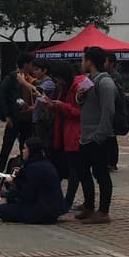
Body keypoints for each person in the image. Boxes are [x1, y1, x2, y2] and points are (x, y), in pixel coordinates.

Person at [74, 45, 117, 223]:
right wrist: (79, 96)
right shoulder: (89, 80)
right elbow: (83, 104)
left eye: (83, 59)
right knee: (82, 171)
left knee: (101, 174)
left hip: (99, 137)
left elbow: (108, 111)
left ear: (89, 61)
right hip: (86, 136)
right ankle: (89, 206)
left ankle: (103, 211)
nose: (81, 63)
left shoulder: (105, 82)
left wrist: (99, 135)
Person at [0, 138, 66, 224]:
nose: (23, 151)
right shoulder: (44, 163)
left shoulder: (34, 168)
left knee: (2, 209)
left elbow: (28, 194)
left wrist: (14, 183)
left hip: (42, 210)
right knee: (10, 204)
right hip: (51, 208)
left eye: (25, 148)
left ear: (31, 150)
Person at [50, 65, 84, 212]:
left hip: (75, 133)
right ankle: (65, 200)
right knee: (71, 169)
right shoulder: (64, 89)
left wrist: (62, 106)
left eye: (58, 79)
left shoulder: (78, 87)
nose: (57, 82)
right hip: (64, 132)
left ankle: (69, 201)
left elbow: (80, 112)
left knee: (76, 171)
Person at [0, 54, 35, 172]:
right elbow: (2, 96)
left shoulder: (31, 78)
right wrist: (7, 115)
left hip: (28, 118)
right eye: (31, 64)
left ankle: (23, 172)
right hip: (14, 117)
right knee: (6, 147)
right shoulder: (12, 78)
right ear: (26, 64)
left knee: (25, 147)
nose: (33, 67)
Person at [103, 53, 123, 171]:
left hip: (114, 109)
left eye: (105, 61)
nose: (103, 63)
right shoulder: (106, 75)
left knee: (111, 137)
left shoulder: (115, 77)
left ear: (111, 63)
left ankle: (112, 162)